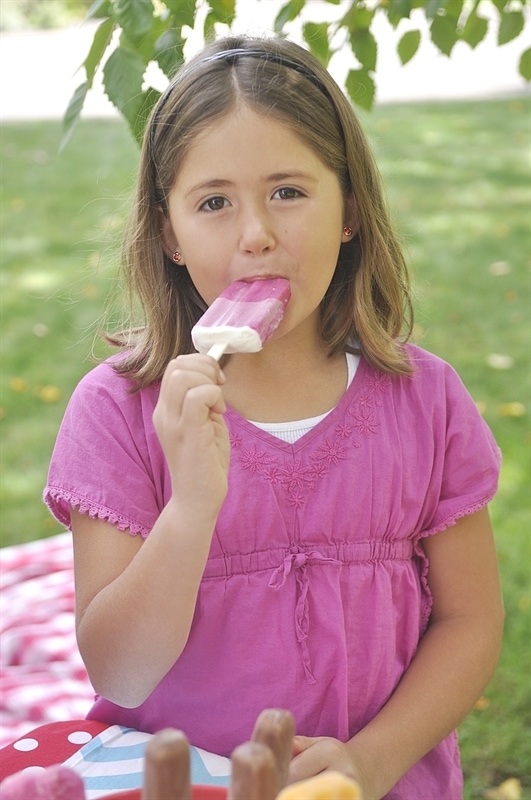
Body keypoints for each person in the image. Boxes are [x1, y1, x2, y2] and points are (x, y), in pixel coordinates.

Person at [44, 34, 504, 799]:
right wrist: (191, 505)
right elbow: (122, 672)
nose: (255, 232)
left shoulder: (424, 400)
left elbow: (469, 622)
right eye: (214, 202)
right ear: (169, 233)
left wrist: (373, 761)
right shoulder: (118, 413)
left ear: (349, 210)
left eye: (288, 192)